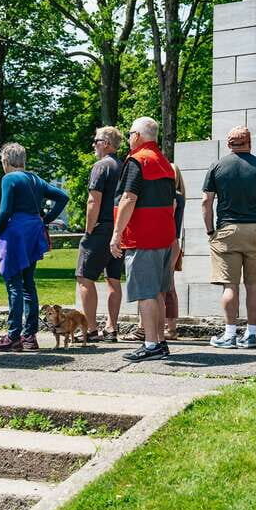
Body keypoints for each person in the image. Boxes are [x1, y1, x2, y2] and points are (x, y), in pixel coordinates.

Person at [203, 126, 256, 349]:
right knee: (254, 285)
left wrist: (210, 231)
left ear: (229, 144)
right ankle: (252, 334)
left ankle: (229, 335)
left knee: (230, 286)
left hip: (227, 231)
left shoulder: (217, 167)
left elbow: (206, 202)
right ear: (249, 143)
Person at [0, 142, 69, 352]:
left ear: (6, 161)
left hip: (15, 232)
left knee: (14, 284)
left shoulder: (10, 178)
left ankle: (12, 336)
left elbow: (4, 210)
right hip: (34, 231)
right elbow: (63, 197)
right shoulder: (36, 179)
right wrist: (45, 219)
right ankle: (29, 337)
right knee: (28, 284)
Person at [110, 117, 177, 362]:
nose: (128, 138)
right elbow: (172, 201)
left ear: (137, 135)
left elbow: (128, 198)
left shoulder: (138, 160)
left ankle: (150, 345)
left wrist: (117, 234)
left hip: (143, 236)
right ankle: (159, 342)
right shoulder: (165, 163)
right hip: (163, 235)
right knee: (158, 292)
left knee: (146, 293)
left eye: (129, 134)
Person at [75, 126, 124, 343]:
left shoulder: (101, 166)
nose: (93, 145)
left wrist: (88, 229)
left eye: (96, 141)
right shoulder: (124, 166)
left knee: (84, 277)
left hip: (101, 227)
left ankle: (91, 329)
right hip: (119, 228)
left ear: (105, 143)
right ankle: (112, 328)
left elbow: (93, 200)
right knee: (113, 278)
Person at [164, 163, 186, 340]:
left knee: (167, 286)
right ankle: (170, 327)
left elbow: (167, 217)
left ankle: (170, 329)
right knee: (167, 285)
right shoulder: (180, 196)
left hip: (168, 242)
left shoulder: (173, 197)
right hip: (173, 242)